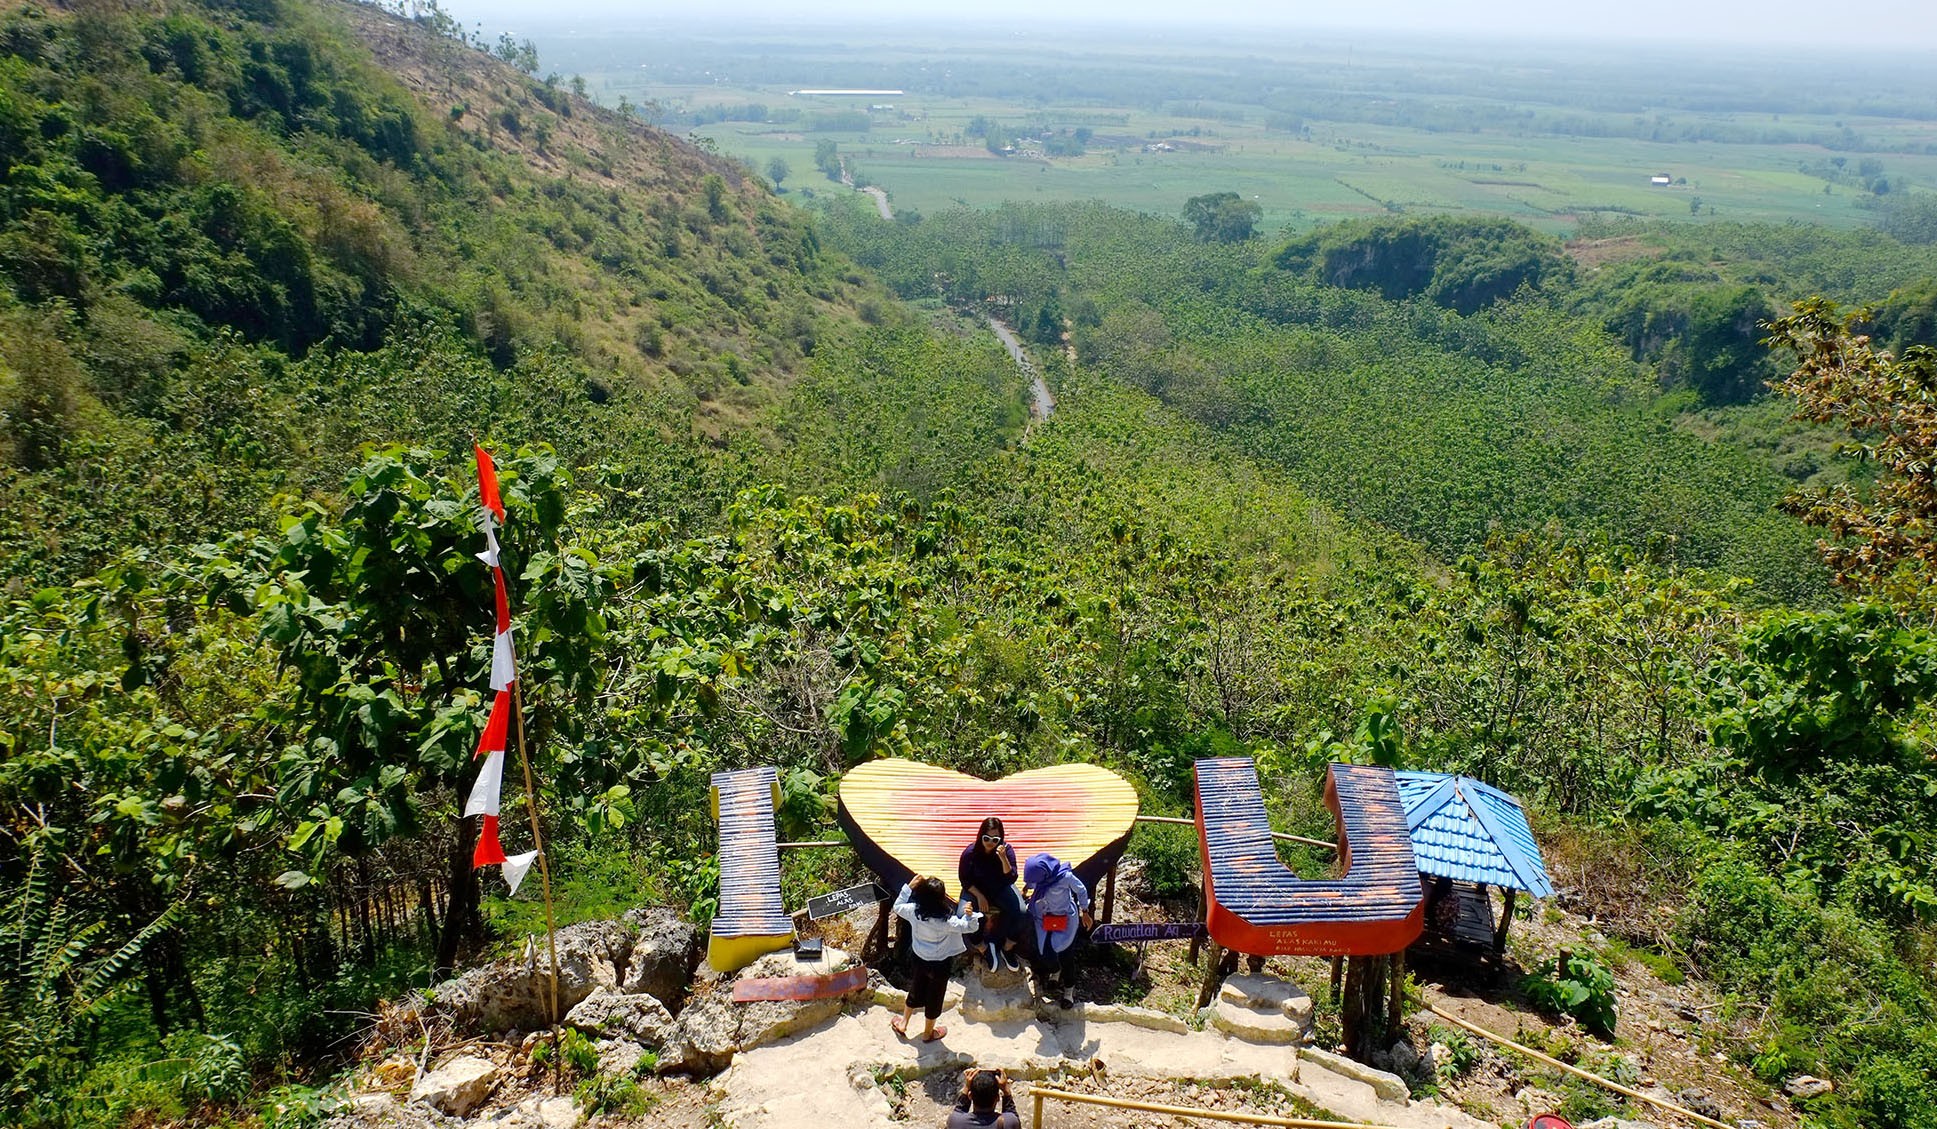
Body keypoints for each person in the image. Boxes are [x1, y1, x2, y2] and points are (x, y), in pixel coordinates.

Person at [891, 874, 981, 1043]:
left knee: (916, 988)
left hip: (919, 958)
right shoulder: (947, 920)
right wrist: (969, 915)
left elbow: (898, 906)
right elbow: (968, 927)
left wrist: (909, 886)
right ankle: (927, 1033)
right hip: (940, 964)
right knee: (935, 996)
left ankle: (903, 1023)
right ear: (942, 897)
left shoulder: (914, 912)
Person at [1022, 852, 1091, 1009]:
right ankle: (1055, 971)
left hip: (1065, 920)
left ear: (1044, 873)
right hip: (1045, 918)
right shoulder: (1042, 879)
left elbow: (1081, 890)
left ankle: (1068, 993)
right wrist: (1026, 889)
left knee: (1067, 955)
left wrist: (1085, 912)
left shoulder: (1064, 877)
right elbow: (1032, 884)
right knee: (1045, 950)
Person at [958, 816, 1024, 972]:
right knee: (963, 917)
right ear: (981, 835)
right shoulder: (970, 853)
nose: (990, 843)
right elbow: (964, 879)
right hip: (975, 889)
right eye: (986, 838)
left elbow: (1011, 877)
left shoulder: (1006, 851)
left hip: (1000, 888)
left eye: (995, 839)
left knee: (1021, 912)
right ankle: (983, 948)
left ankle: (1007, 948)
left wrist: (1003, 858)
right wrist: (979, 896)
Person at [947, 1065, 1021, 1129]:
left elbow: (959, 1111)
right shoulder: (1009, 1122)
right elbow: (1012, 1114)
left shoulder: (956, 1122)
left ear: (970, 1096)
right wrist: (1006, 1090)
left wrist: (967, 1087)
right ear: (998, 1098)